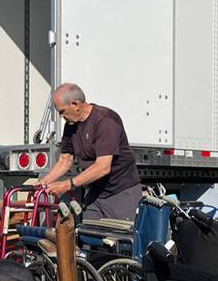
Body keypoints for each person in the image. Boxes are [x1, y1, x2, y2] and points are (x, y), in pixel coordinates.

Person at [37, 83, 142, 221]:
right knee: (87, 236)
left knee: (121, 240)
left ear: (75, 104)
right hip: (95, 193)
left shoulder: (105, 120)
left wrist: (67, 185)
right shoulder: (70, 126)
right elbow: (65, 160)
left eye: (62, 111)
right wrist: (43, 183)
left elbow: (102, 167)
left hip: (121, 191)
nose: (61, 116)